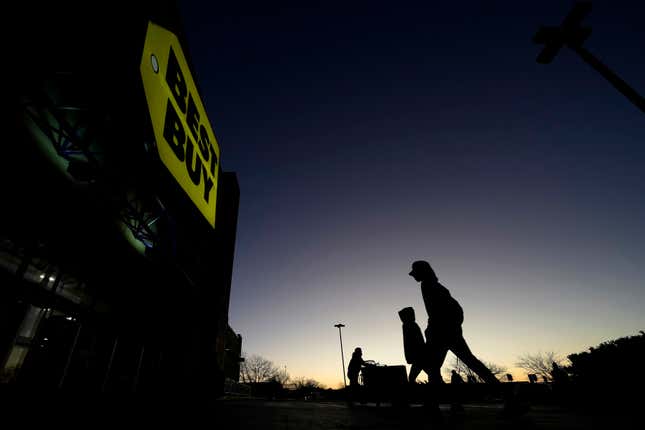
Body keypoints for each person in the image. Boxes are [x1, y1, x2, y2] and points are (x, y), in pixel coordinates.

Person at [409, 260, 527, 416]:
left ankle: (434, 404)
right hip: (449, 332)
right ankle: (508, 396)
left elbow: (438, 313)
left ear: (422, 271)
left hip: (441, 334)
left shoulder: (428, 286)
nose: (413, 276)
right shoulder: (436, 286)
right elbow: (452, 310)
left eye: (415, 273)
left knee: (435, 368)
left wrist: (434, 329)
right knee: (463, 364)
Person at [398, 307, 430, 383]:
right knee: (432, 374)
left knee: (412, 377)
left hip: (418, 356)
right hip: (419, 355)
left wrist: (411, 355)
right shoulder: (410, 325)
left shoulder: (409, 325)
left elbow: (413, 342)